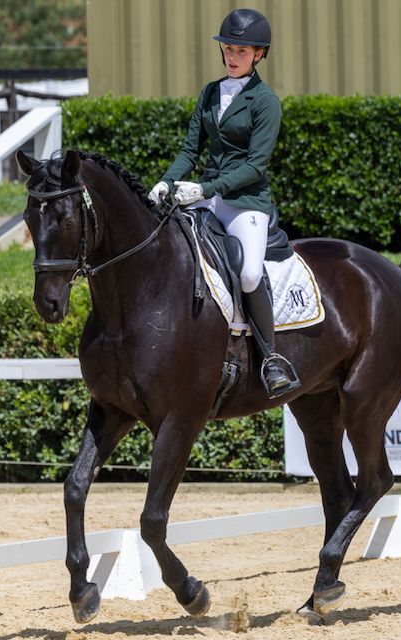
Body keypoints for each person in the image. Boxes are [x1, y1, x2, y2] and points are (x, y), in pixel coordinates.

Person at [148, 7, 300, 399]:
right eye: (229, 48)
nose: (233, 56)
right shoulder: (211, 92)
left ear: (259, 54)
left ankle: (270, 358)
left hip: (245, 204)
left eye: (242, 51)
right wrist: (165, 183)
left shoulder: (266, 102)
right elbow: (189, 150)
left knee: (249, 274)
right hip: (208, 198)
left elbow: (255, 166)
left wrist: (205, 188)